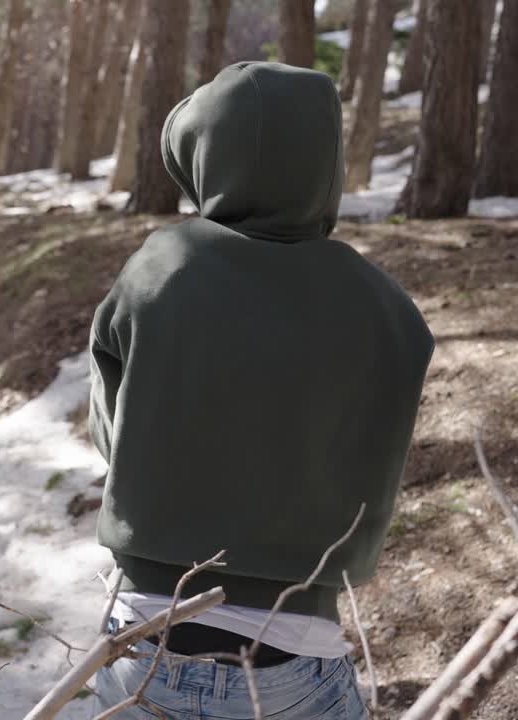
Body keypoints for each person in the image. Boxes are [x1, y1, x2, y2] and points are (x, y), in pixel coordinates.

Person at [86, 62, 433, 718]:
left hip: (152, 637)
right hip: (299, 647)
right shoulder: (388, 310)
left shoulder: (165, 269)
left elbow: (114, 434)